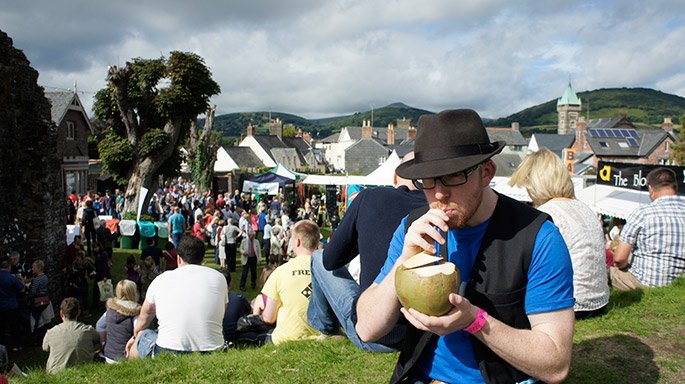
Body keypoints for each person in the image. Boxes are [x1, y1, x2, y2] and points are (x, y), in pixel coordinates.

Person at [355, 109, 575, 384]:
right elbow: (366, 328)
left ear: (486, 173)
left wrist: (474, 321)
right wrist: (404, 261)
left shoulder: (537, 237)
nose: (438, 194)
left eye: (453, 176)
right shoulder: (413, 228)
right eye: (428, 180)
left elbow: (555, 364)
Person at [307, 152, 427, 352]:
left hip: (374, 333)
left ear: (395, 177)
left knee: (318, 257)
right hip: (424, 333)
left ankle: (325, 327)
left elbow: (331, 260)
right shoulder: (436, 209)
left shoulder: (369, 197)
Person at [509, 148, 609, 319]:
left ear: (536, 185)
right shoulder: (584, 208)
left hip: (569, 303)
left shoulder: (546, 214)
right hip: (599, 300)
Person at [126, 236, 227, 358]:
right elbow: (222, 311)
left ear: (179, 258)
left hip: (169, 350)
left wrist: (135, 337)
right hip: (214, 350)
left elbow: (144, 317)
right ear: (202, 259)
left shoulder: (161, 279)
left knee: (143, 334)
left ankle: (132, 369)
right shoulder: (219, 278)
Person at [610, 167, 685, 290]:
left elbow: (619, 258)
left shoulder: (643, 213)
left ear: (650, 188)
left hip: (645, 283)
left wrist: (624, 266)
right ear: (675, 186)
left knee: (608, 273)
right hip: (679, 284)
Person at [260, 220, 322, 344]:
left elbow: (268, 318)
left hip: (287, 338)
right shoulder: (329, 270)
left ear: (297, 241)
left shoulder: (280, 272)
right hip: (323, 335)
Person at [42, 297, 100, 374]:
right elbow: (98, 339)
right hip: (84, 372)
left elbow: (45, 348)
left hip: (55, 374)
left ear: (61, 313)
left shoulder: (51, 332)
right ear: (78, 312)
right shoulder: (88, 330)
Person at [96, 280, 141, 363]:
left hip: (108, 355)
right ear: (133, 292)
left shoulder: (110, 309)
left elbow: (99, 326)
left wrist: (103, 343)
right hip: (125, 357)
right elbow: (138, 333)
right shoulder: (136, 312)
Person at [220, 270, 252, 345]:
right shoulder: (238, 298)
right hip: (232, 338)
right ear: (230, 284)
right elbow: (250, 312)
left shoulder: (208, 300)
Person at [0, 258, 24, 352]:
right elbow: (21, 289)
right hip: (11, 305)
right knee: (14, 326)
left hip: (0, 306)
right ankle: (16, 345)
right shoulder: (11, 278)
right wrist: (21, 280)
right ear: (9, 267)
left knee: (1, 327)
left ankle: (2, 345)